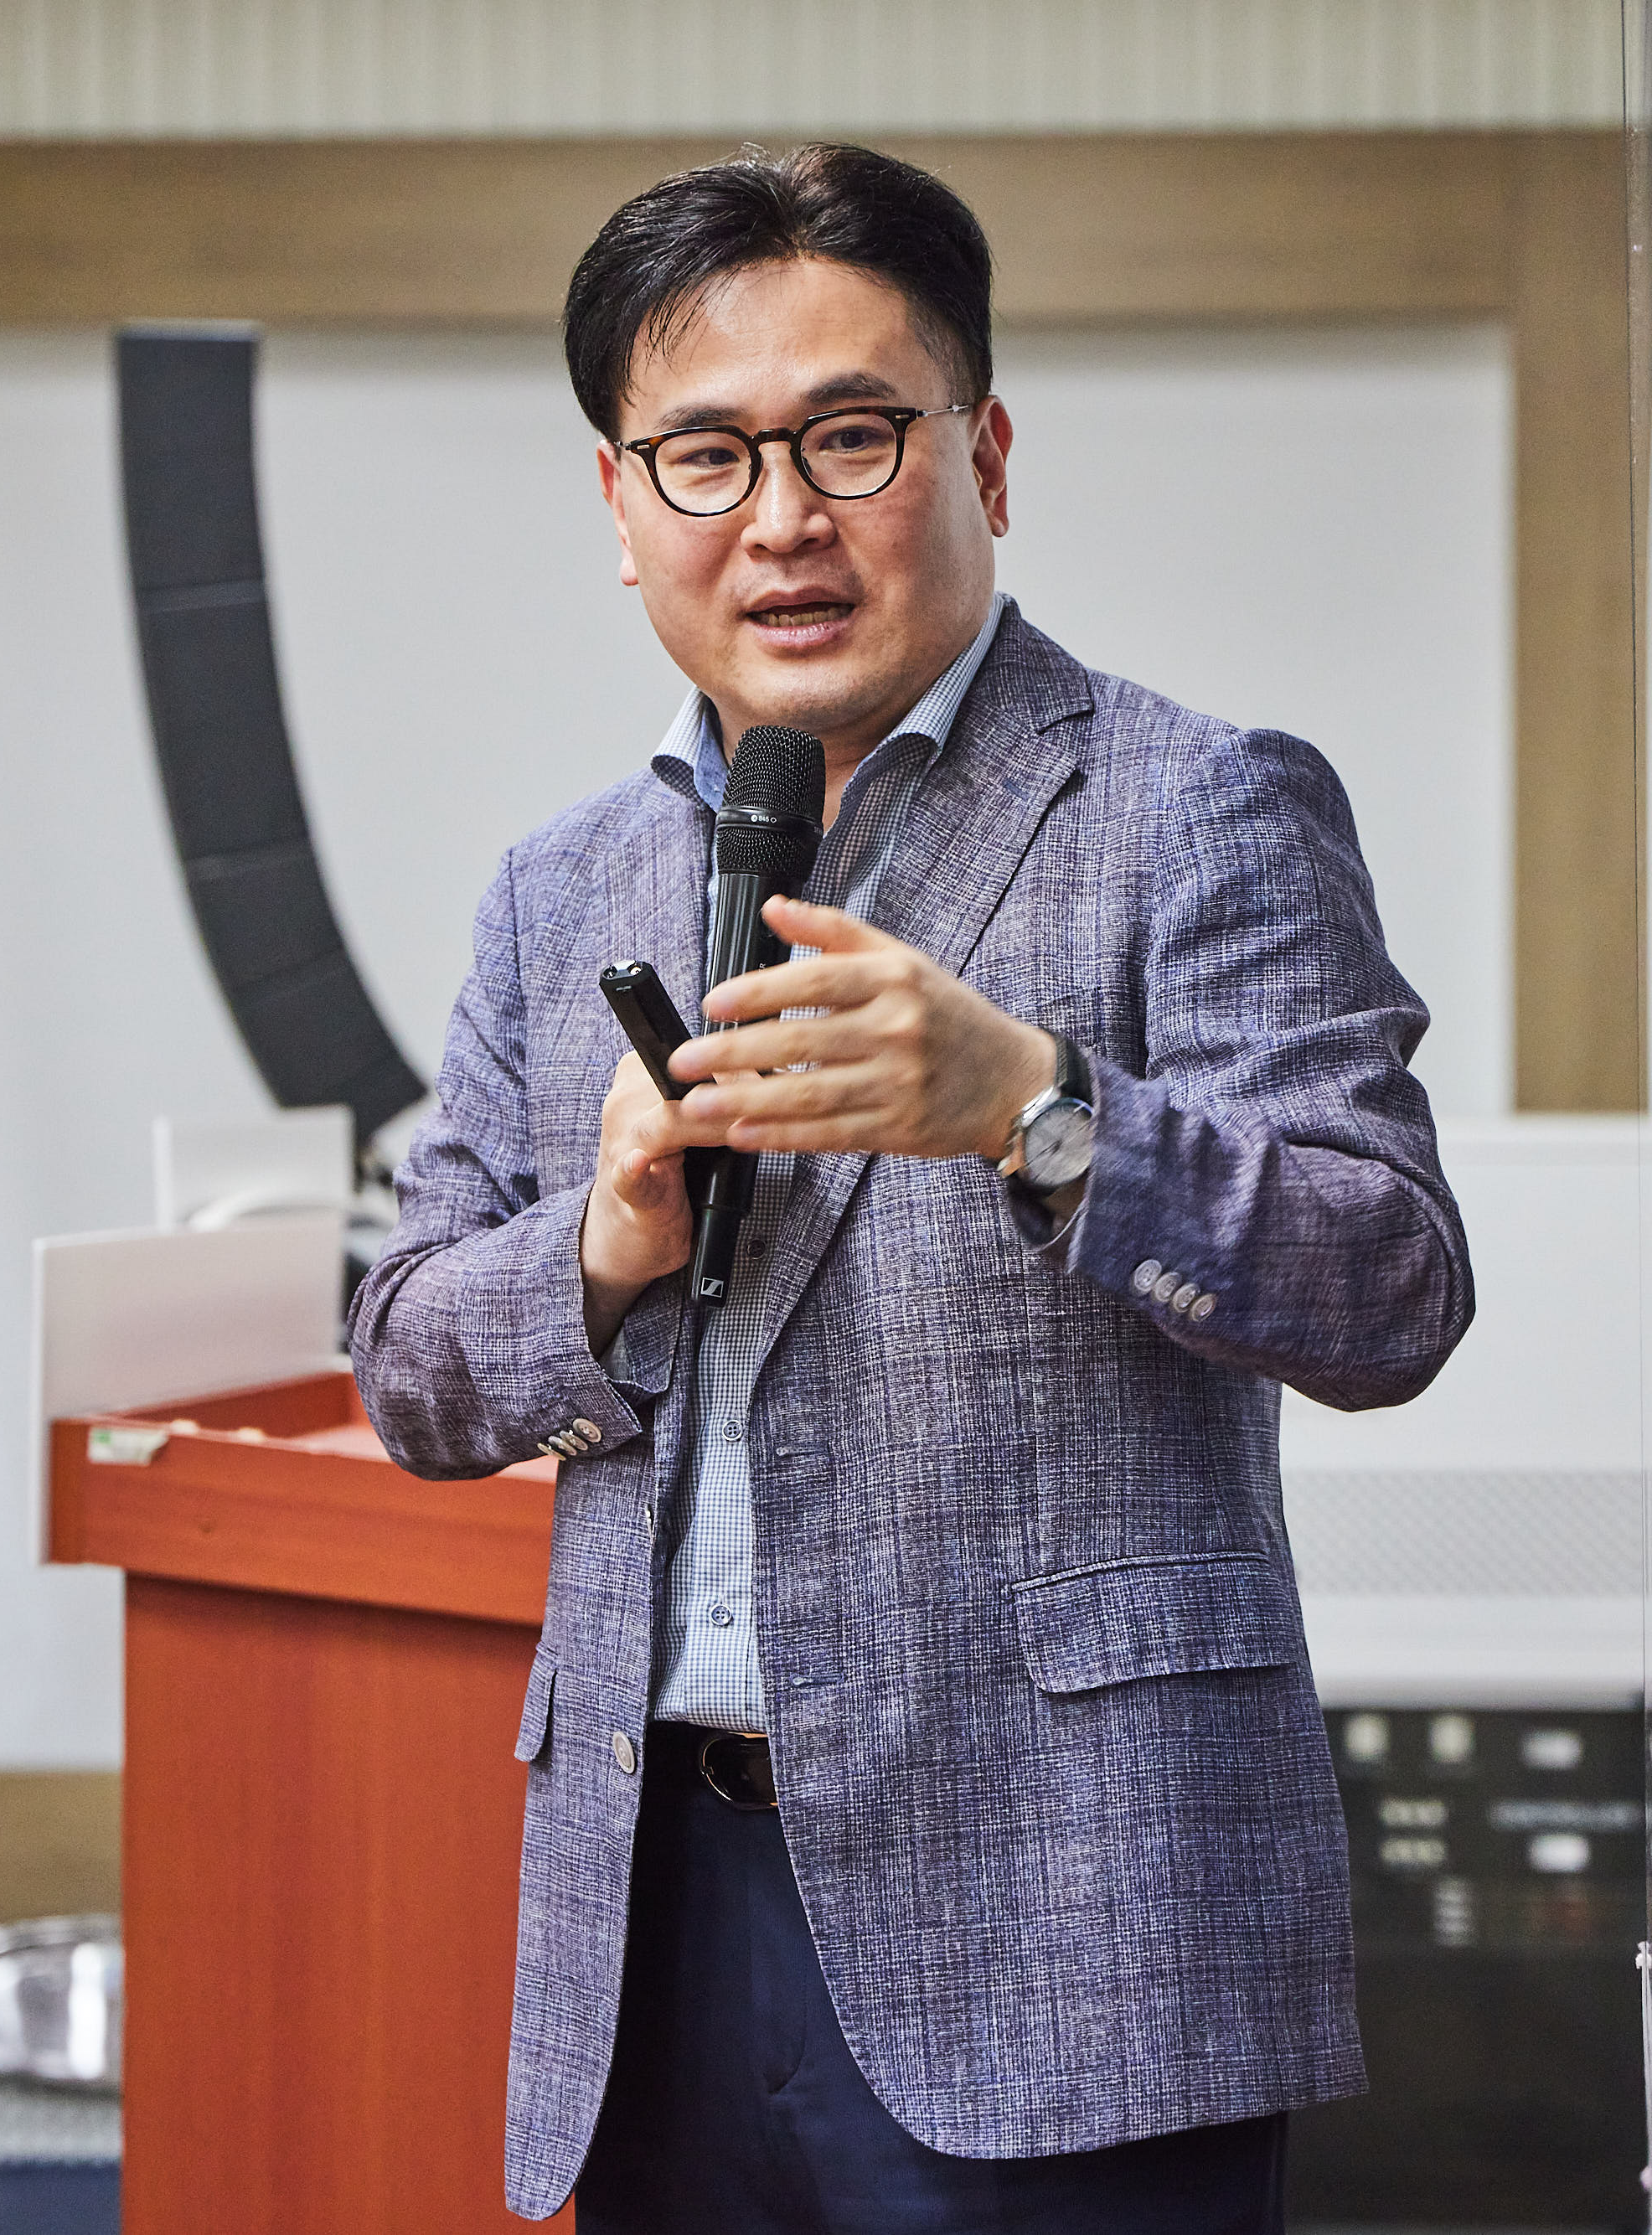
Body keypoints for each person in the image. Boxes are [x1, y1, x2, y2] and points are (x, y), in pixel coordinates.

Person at [348, 142, 1473, 2235]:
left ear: (986, 454)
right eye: (704, 456)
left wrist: (1032, 1107)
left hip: (1072, 1910)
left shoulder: (1191, 804)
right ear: (620, 506)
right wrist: (599, 1246)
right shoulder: (557, 886)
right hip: (654, 1914)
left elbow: (1388, 1283)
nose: (780, 517)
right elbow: (408, 1363)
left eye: (850, 435)